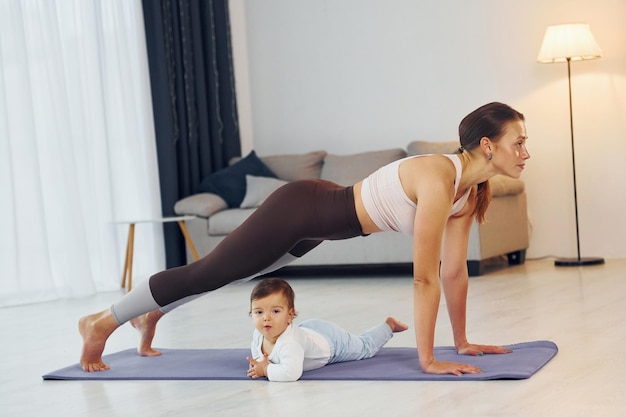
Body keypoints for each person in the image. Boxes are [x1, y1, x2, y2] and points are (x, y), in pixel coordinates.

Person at [79, 101, 530, 376]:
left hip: (318, 229)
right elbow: (424, 278)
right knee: (210, 270)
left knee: (226, 274)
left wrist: (464, 341)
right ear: (487, 144)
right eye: (518, 142)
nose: (526, 153)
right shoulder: (437, 176)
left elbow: (453, 272)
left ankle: (151, 311)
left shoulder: (467, 194)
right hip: (299, 209)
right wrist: (429, 361)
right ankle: (103, 321)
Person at [246, 277, 408, 381]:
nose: (266, 318)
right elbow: (258, 353)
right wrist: (258, 364)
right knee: (301, 338)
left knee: (364, 347)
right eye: (259, 312)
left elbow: (291, 373)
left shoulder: (290, 343)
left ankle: (389, 325)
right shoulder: (259, 334)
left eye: (275, 311)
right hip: (307, 331)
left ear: (290, 316)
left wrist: (266, 369)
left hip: (331, 342)